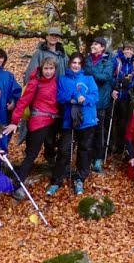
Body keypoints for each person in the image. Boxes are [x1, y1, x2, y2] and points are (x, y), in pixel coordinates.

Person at [48, 53, 99, 196]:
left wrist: (85, 98)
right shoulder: (63, 80)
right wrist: (72, 98)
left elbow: (95, 96)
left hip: (87, 119)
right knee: (64, 149)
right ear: (69, 63)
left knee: (85, 149)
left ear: (82, 65)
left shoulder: (89, 79)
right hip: (69, 120)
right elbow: (59, 96)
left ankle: (80, 178)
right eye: (73, 63)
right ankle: (57, 180)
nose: (76, 65)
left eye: (78, 63)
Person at [5, 57, 60, 180]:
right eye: (46, 68)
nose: (48, 71)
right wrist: (14, 122)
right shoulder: (35, 83)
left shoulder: (56, 82)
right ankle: (18, 182)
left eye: (51, 68)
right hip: (39, 122)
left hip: (54, 121)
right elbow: (22, 102)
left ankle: (56, 173)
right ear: (41, 68)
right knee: (32, 153)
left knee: (56, 146)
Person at [19, 26, 69, 156]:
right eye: (51, 35)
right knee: (35, 128)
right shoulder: (39, 53)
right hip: (41, 97)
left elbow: (67, 72)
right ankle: (29, 155)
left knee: (54, 127)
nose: (54, 37)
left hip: (57, 95)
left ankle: (50, 154)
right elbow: (31, 74)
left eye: (56, 36)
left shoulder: (62, 54)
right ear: (47, 36)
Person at [82, 37, 115, 172]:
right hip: (87, 100)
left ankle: (98, 158)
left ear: (102, 47)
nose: (93, 46)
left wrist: (90, 72)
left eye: (96, 44)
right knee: (87, 131)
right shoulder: (87, 60)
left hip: (101, 101)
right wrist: (93, 73)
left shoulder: (107, 61)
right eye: (93, 43)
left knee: (99, 131)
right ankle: (86, 157)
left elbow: (105, 78)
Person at [109, 41, 134, 157]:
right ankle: (111, 146)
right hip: (116, 95)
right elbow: (110, 76)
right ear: (123, 50)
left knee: (125, 122)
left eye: (131, 50)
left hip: (127, 96)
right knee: (114, 122)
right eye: (126, 49)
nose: (128, 51)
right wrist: (116, 85)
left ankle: (122, 145)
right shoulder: (116, 61)